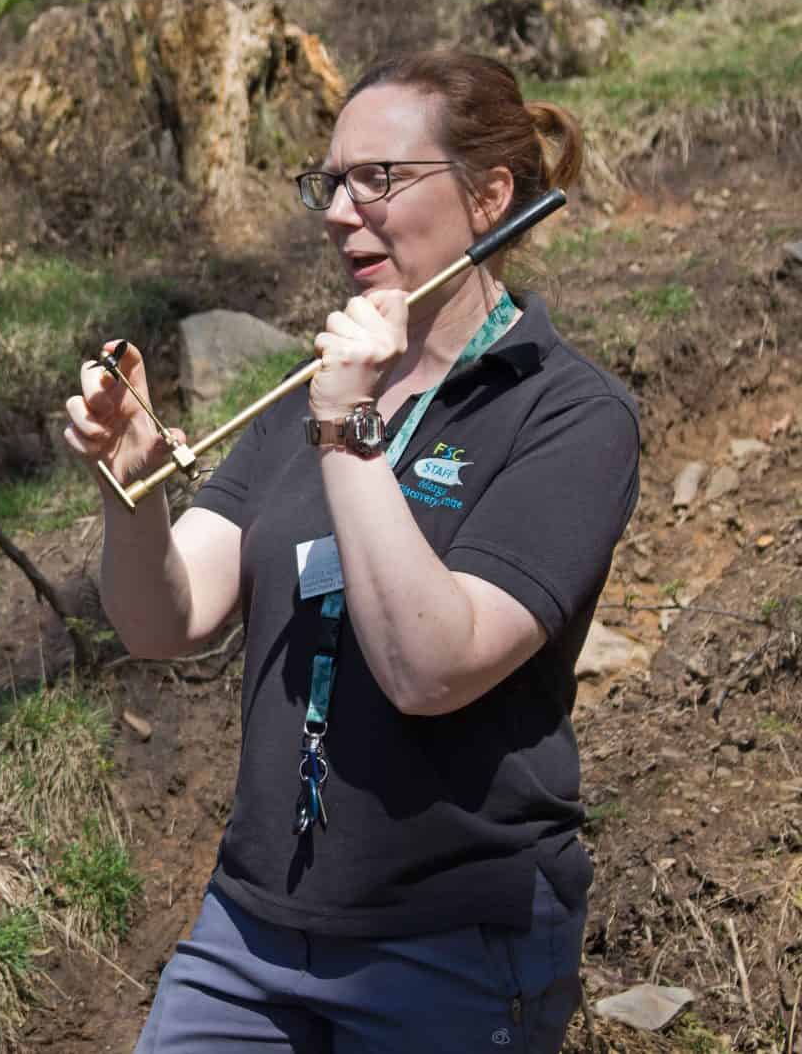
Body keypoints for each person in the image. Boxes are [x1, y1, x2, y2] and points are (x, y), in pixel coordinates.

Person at [65, 51, 639, 1052]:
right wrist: (133, 486)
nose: (339, 210)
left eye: (379, 177)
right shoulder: (311, 386)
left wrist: (347, 429)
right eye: (330, 181)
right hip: (250, 930)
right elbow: (167, 620)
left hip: (451, 946)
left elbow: (431, 664)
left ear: (488, 198)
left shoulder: (567, 412)